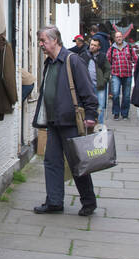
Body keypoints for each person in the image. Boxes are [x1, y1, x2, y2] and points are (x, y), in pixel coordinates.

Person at [31, 25, 99, 216]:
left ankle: (88, 202)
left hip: (71, 122)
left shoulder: (72, 61)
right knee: (52, 162)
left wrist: (92, 115)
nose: (41, 45)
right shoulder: (49, 63)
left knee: (78, 164)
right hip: (53, 122)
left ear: (55, 40)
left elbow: (87, 90)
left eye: (43, 41)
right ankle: (54, 202)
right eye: (40, 41)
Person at [107, 29, 136, 120]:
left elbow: (135, 59)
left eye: (120, 36)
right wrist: (108, 73)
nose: (119, 38)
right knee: (115, 94)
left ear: (122, 37)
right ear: (115, 39)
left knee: (126, 95)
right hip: (116, 74)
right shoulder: (111, 49)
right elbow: (107, 62)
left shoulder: (129, 47)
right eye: (117, 37)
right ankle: (116, 113)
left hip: (127, 74)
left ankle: (125, 114)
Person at [88, 36, 111, 124]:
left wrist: (104, 80)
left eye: (94, 45)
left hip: (99, 86)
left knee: (100, 106)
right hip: (87, 86)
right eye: (91, 44)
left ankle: (100, 126)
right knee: (88, 106)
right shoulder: (85, 55)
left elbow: (107, 69)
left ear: (99, 47)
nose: (92, 47)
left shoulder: (102, 56)